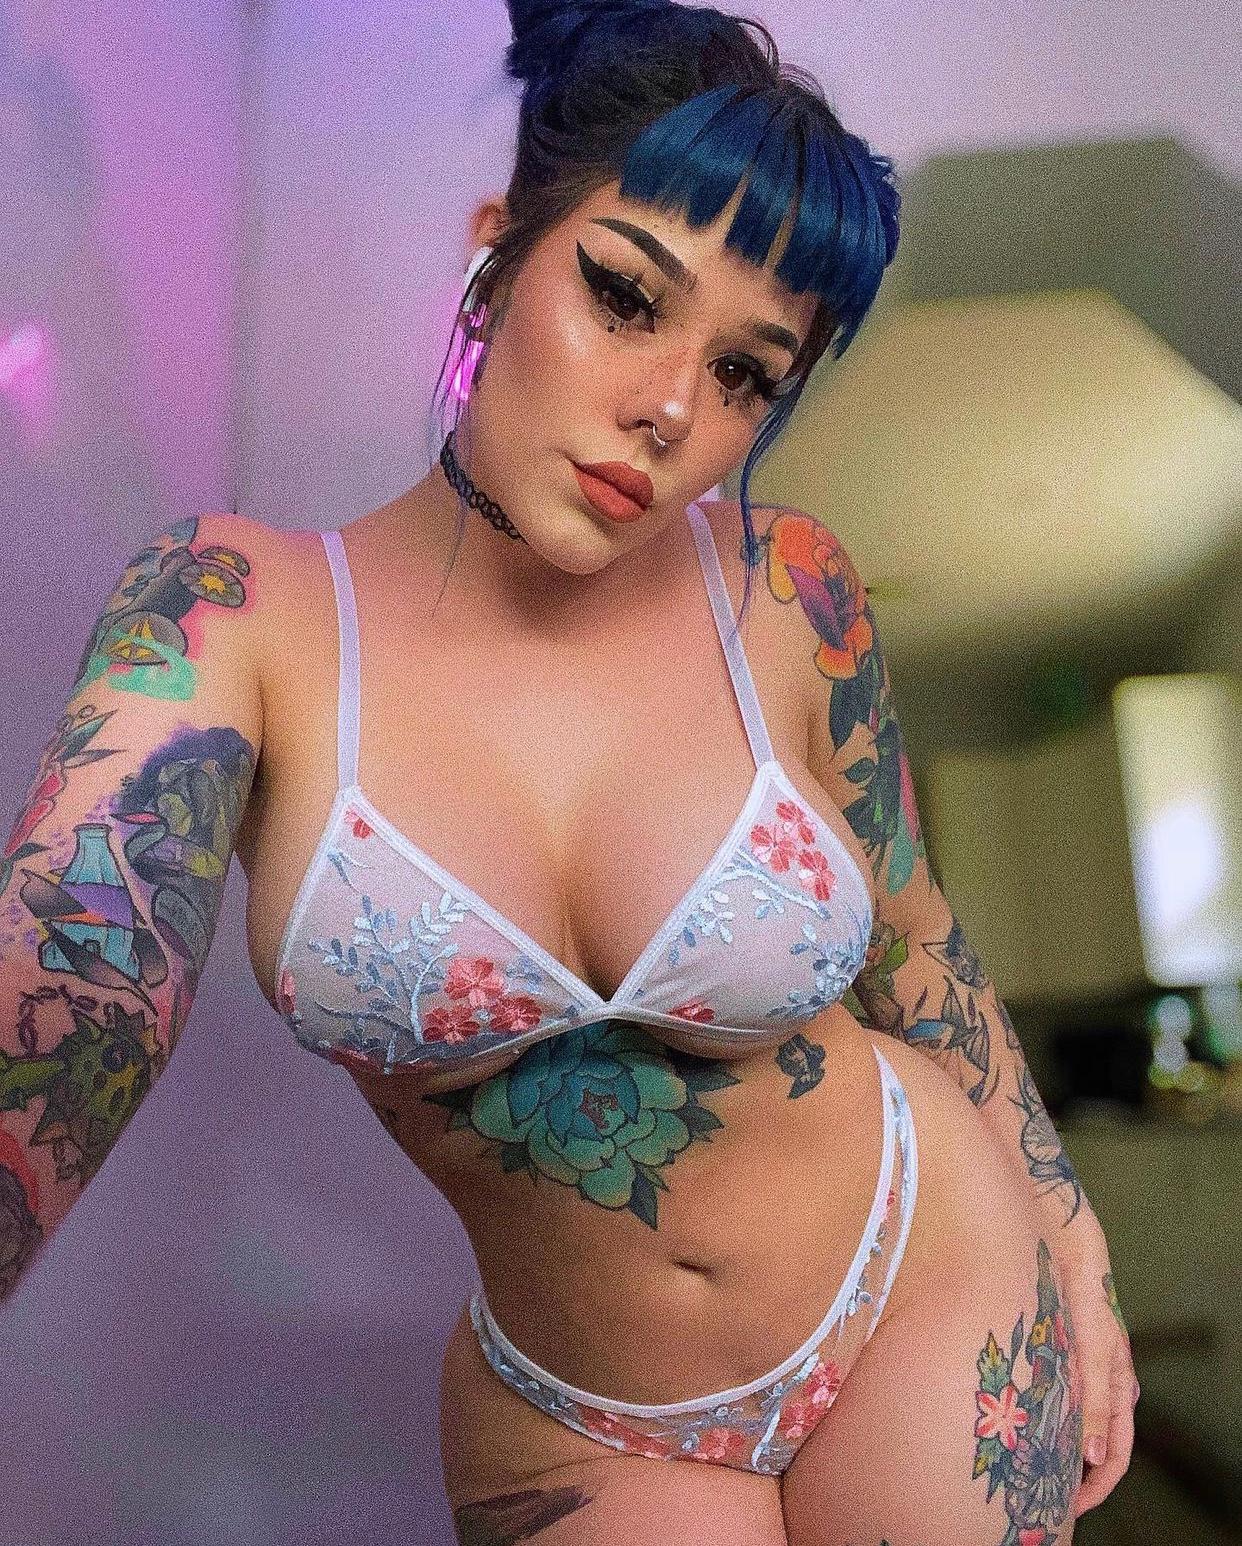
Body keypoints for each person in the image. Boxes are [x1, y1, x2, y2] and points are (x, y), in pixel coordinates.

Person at [0, 1, 1139, 1541]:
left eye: (744, 373)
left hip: (924, 1272)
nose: (670, 406)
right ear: (496, 256)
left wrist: (1069, 1230)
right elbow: (69, 988)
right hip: (584, 1416)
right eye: (623, 295)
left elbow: (913, 934)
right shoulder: (236, 612)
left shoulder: (789, 592)